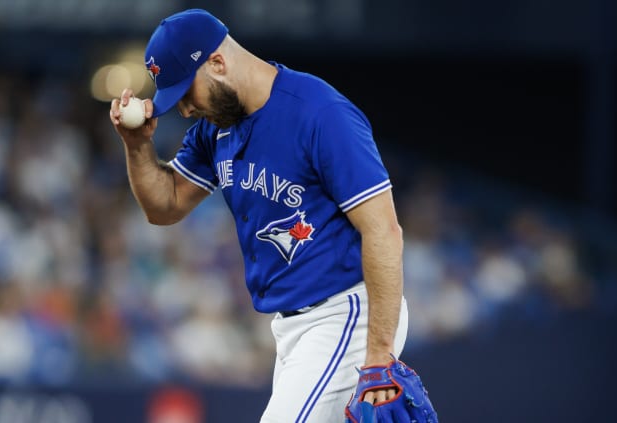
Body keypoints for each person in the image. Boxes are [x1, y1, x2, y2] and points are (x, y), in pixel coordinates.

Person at [109, 9, 436, 423]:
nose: (186, 111)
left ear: (218, 62)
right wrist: (137, 147)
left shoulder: (319, 112)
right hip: (291, 328)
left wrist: (377, 357)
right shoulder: (216, 128)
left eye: (187, 93)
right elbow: (165, 206)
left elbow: (384, 231)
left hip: (347, 313)